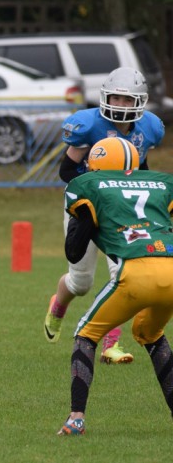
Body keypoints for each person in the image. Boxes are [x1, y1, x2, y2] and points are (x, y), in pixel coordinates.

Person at [44, 67, 165, 363]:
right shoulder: (87, 126)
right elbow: (66, 171)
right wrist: (98, 189)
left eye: (127, 99)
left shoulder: (148, 128)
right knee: (81, 282)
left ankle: (111, 343)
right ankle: (58, 305)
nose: (121, 105)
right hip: (86, 209)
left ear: (139, 101)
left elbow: (140, 170)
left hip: (121, 212)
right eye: (116, 98)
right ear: (105, 97)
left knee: (123, 273)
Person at [56, 137, 173, 435]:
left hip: (134, 274)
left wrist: (93, 223)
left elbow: (74, 251)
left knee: (86, 334)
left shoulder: (89, 185)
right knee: (150, 334)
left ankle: (76, 419)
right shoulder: (161, 182)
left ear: (94, 163)